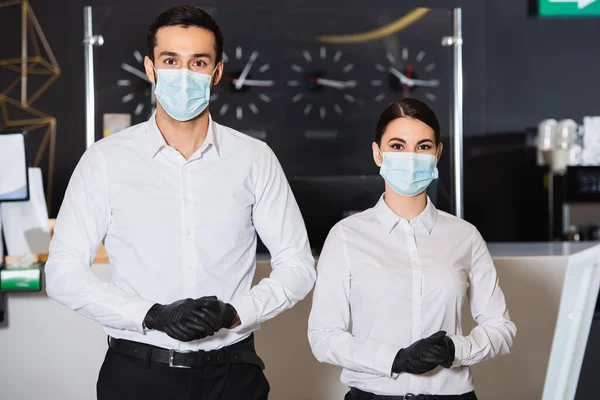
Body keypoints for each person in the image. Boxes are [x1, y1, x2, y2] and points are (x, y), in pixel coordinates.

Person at [45, 5, 316, 400]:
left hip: (233, 375)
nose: (184, 74)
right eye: (170, 60)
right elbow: (62, 273)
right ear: (150, 68)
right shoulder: (106, 160)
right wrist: (151, 314)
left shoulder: (255, 159)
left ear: (217, 72)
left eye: (198, 62)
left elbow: (298, 265)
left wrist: (237, 312)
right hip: (137, 374)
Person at [307, 98, 516, 400]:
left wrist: (454, 349)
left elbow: (501, 327)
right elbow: (323, 337)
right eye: (397, 145)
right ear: (377, 153)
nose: (410, 157)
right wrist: (396, 358)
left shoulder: (464, 236)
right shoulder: (346, 237)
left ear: (437, 154)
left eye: (422, 147)